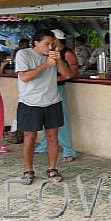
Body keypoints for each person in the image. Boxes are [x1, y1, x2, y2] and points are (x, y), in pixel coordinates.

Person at [15, 29, 72, 184]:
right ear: (36, 43)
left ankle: (52, 168)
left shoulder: (53, 56)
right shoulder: (24, 54)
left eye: (53, 44)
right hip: (30, 103)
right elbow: (24, 77)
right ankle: (28, 170)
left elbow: (67, 75)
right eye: (47, 44)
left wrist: (58, 60)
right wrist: (46, 65)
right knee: (30, 137)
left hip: (52, 101)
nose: (50, 47)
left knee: (53, 137)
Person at [35, 29, 79, 163]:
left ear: (56, 41)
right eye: (47, 43)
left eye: (51, 42)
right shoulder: (44, 54)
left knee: (61, 120)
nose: (50, 45)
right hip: (43, 90)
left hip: (58, 89)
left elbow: (72, 73)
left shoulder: (66, 53)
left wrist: (52, 79)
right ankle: (44, 145)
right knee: (44, 120)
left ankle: (68, 150)